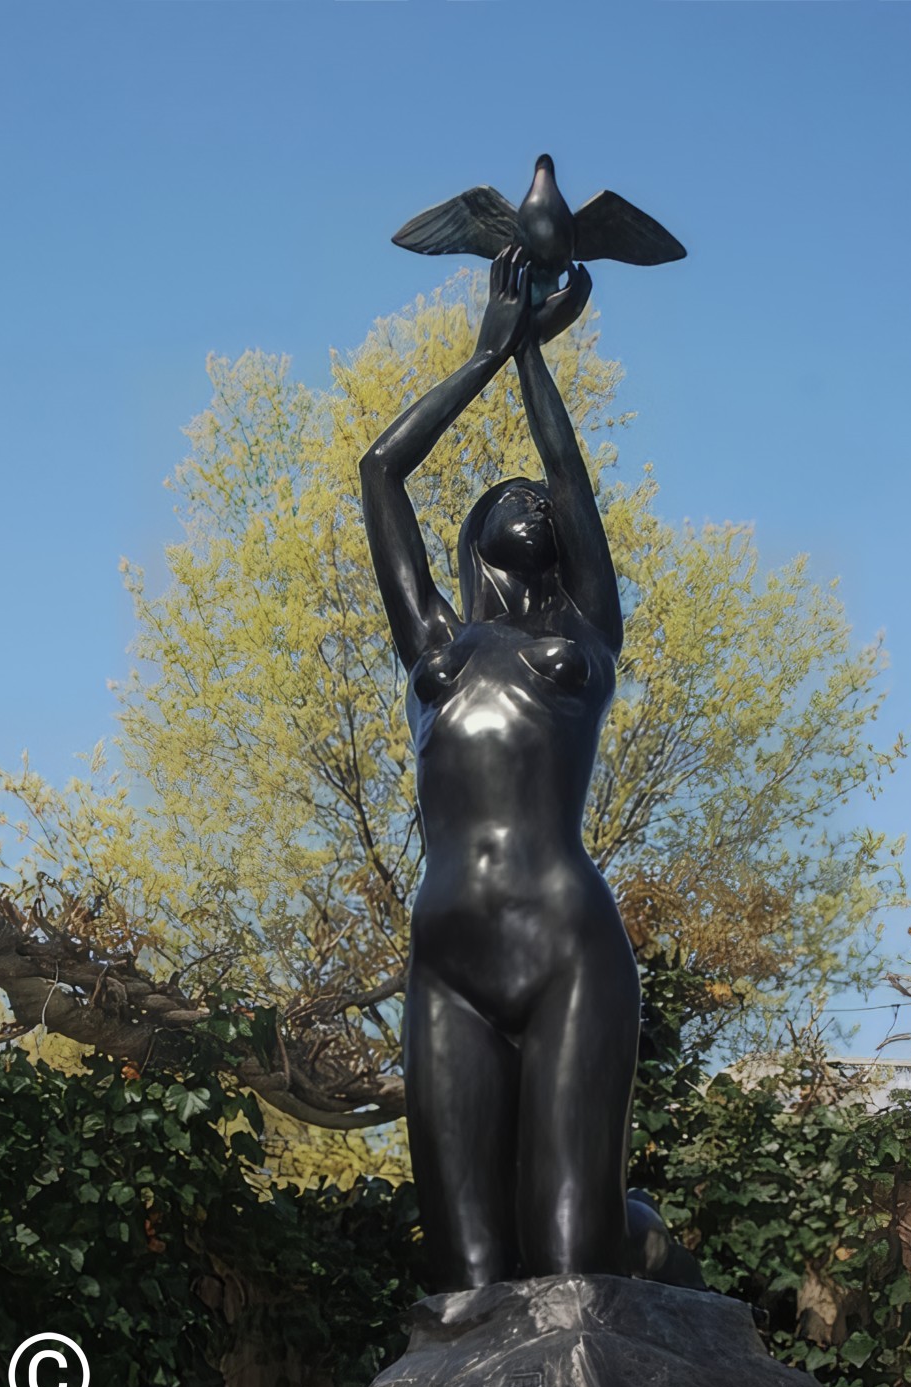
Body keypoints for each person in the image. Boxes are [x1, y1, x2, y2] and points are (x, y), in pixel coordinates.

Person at [359, 249, 641, 1292]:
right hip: (448, 962)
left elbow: (565, 471)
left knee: (573, 1270)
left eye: (540, 501)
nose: (528, 496)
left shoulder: (586, 638)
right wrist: (485, 349)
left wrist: (533, 355)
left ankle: (642, 1249)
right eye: (504, 494)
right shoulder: (433, 641)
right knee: (463, 1285)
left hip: (567, 946)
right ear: (479, 538)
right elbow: (380, 472)